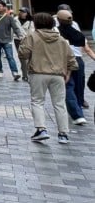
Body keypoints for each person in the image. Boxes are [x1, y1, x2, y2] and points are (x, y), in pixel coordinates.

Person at [19, 12, 76, 144]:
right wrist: (68, 74)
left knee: (37, 101)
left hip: (38, 73)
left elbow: (23, 54)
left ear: (36, 23)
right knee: (59, 104)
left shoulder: (32, 36)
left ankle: (41, 129)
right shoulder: (61, 39)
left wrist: (23, 43)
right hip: (58, 75)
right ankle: (63, 134)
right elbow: (71, 60)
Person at [55, 9, 95, 125]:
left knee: (68, 87)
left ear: (58, 20)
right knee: (78, 86)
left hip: (63, 61)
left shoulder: (56, 33)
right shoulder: (79, 35)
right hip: (79, 61)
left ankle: (77, 114)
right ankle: (78, 108)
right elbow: (87, 49)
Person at [16, 7, 34, 82]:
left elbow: (32, 31)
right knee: (22, 57)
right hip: (17, 40)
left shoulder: (31, 21)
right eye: (20, 12)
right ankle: (25, 74)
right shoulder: (15, 19)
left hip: (27, 40)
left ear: (27, 13)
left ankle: (28, 73)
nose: (21, 13)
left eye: (23, 12)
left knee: (29, 57)